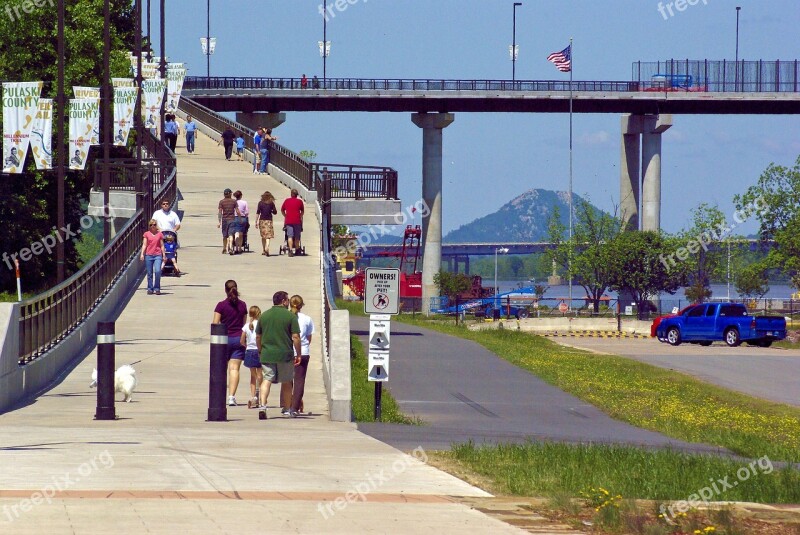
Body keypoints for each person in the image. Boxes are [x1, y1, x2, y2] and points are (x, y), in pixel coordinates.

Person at [255, 291, 301, 420]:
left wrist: (260, 350)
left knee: (267, 379)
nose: (288, 302)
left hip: (267, 353)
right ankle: (287, 409)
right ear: (283, 301)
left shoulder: (264, 316)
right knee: (286, 382)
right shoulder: (290, 316)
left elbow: (258, 336)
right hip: (284, 355)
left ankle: (263, 406)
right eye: (287, 300)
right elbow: (296, 337)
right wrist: (299, 353)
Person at [212, 280, 248, 406]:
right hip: (238, 339)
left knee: (221, 369)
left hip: (223, 340)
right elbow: (244, 325)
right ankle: (231, 397)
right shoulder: (243, 305)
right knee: (234, 369)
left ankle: (219, 394)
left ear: (225, 290)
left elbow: (215, 324)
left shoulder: (221, 305)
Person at [289, 294, 315, 417]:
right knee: (299, 381)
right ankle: (294, 408)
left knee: (287, 380)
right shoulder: (307, 319)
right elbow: (309, 338)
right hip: (303, 352)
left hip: (287, 351)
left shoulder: (286, 317)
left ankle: (286, 405)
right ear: (301, 305)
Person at [240, 305, 263, 409]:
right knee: (260, 375)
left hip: (249, 351)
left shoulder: (246, 325)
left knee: (252, 376)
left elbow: (241, 341)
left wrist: (247, 346)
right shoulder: (261, 324)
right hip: (259, 351)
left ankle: (253, 396)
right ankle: (261, 396)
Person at [139, 219, 165, 295]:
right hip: (149, 255)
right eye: (151, 225)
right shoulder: (146, 234)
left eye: (154, 224)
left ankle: (157, 288)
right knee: (149, 273)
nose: (152, 226)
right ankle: (150, 288)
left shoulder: (160, 234)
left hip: (157, 255)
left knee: (157, 271)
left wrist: (164, 255)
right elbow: (144, 245)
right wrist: (142, 254)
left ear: (156, 225)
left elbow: (162, 245)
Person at [281, 188, 304, 257]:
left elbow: (282, 210)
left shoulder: (287, 201)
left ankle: (290, 250)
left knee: (290, 236)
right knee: (297, 236)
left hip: (289, 221)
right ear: (296, 195)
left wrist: (285, 216)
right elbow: (302, 211)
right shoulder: (300, 202)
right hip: (297, 221)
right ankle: (297, 249)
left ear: (291, 194)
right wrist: (300, 216)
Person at [218, 188, 241, 255]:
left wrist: (219, 222)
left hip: (224, 220)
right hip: (232, 220)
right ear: (230, 194)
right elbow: (237, 211)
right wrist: (240, 219)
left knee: (225, 236)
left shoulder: (221, 202)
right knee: (231, 234)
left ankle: (224, 248)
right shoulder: (234, 201)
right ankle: (230, 247)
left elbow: (220, 212)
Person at [254, 191, 278, 256]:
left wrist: (256, 221)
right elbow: (275, 212)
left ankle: (264, 250)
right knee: (268, 236)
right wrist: (272, 210)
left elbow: (258, 212)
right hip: (269, 221)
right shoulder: (271, 203)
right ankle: (267, 247)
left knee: (263, 236)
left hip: (262, 220)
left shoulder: (260, 203)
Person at [232, 190, 249, 254]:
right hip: (242, 218)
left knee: (236, 233)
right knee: (241, 234)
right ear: (241, 196)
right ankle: (239, 248)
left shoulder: (233, 202)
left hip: (234, 218)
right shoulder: (244, 202)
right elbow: (247, 212)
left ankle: (236, 247)